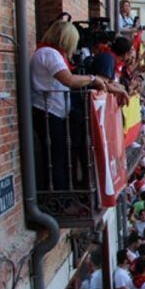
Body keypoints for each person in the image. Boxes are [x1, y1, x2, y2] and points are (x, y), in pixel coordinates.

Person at [31, 19, 109, 190]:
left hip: (54, 113)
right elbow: (69, 80)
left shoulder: (51, 53)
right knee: (56, 158)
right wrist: (92, 79)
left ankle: (63, 195)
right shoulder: (49, 53)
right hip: (47, 112)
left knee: (61, 156)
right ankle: (60, 199)